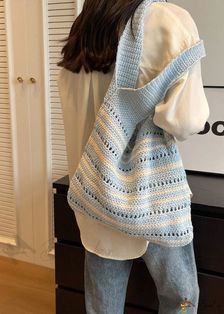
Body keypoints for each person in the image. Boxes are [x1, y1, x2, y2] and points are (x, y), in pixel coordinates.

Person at [57, 0, 210, 313]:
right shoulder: (167, 20)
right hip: (153, 196)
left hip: (95, 194)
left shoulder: (85, 26)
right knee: (181, 297)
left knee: (102, 305)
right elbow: (186, 121)